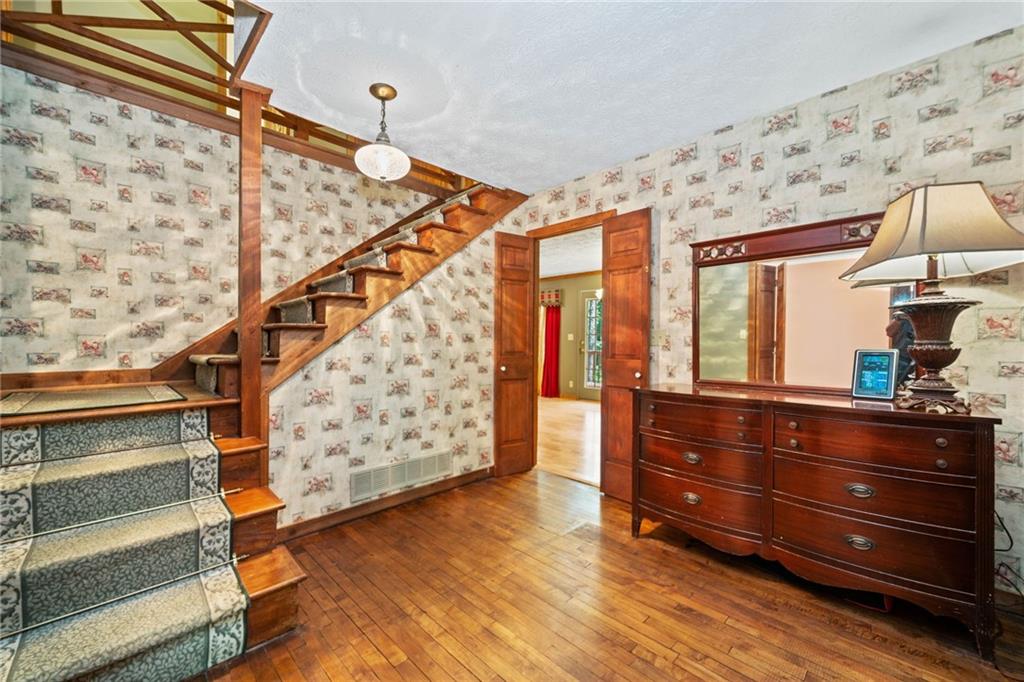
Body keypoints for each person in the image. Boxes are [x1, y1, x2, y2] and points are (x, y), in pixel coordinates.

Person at [886, 311, 916, 385]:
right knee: (896, 383)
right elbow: (889, 332)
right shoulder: (902, 315)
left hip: (920, 356)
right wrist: (900, 318)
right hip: (902, 356)